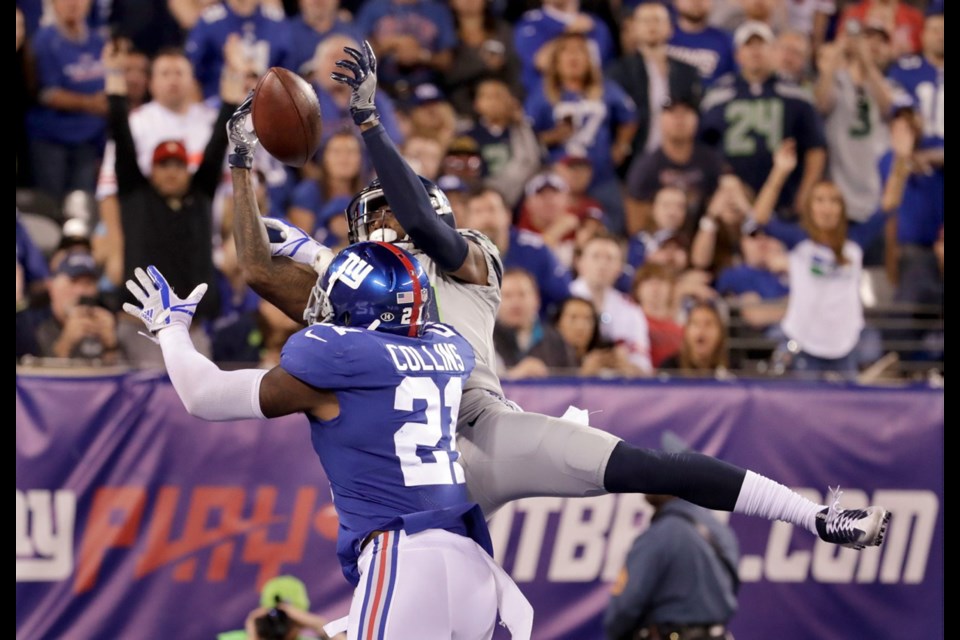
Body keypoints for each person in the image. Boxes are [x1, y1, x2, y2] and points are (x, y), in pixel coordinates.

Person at [227, 39, 891, 558]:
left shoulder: (467, 257)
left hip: (483, 430)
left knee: (648, 466)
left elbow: (427, 229)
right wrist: (240, 163)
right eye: (368, 219)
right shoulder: (355, 286)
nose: (375, 229)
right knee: (412, 597)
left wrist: (370, 124)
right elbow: (257, 270)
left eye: (386, 214)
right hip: (402, 455)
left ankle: (814, 515)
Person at [122, 242, 533, 639]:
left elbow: (203, 395)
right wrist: (312, 253)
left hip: (403, 556)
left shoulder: (338, 365)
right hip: (470, 563)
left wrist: (171, 329)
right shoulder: (447, 346)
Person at [604, 432, 740, 640]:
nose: (646, 476)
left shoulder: (661, 534)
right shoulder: (721, 531)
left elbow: (624, 609)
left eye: (656, 470)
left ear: (677, 480)